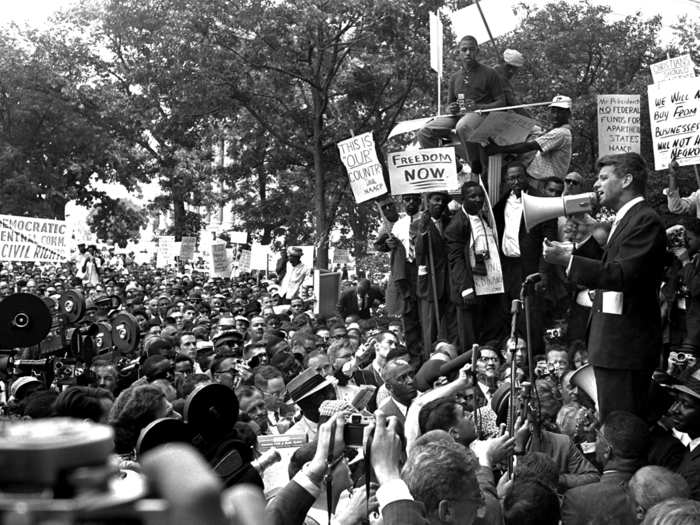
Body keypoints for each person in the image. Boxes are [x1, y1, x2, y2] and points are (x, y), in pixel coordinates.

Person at [544, 152, 667, 421]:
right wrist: (573, 249)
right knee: (611, 423)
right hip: (614, 346)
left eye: (603, 178)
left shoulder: (645, 219)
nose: (596, 185)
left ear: (626, 180)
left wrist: (568, 259)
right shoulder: (625, 219)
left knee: (620, 427)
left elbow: (621, 274)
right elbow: (607, 263)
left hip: (625, 348)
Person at [417, 35, 505, 173]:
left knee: (462, 126)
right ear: (458, 52)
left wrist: (479, 107)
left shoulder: (489, 73)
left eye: (471, 49)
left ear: (477, 51)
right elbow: (448, 105)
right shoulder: (454, 77)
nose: (468, 53)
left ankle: (473, 163)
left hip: (480, 114)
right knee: (424, 132)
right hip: (458, 115)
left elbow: (501, 101)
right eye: (464, 50)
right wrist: (450, 108)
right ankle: (449, 164)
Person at [493, 162, 555, 356]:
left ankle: (533, 357)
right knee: (508, 311)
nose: (516, 181)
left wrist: (542, 272)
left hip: (530, 266)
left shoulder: (541, 200)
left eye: (519, 177)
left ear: (526, 177)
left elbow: (549, 240)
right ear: (506, 181)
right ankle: (511, 356)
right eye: (511, 178)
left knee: (531, 315)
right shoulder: (502, 202)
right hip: (507, 265)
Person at [445, 181, 506, 352]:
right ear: (463, 199)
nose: (478, 199)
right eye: (473, 196)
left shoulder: (484, 216)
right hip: (471, 288)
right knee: (471, 336)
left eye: (480, 196)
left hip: (490, 285)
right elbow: (456, 260)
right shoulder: (456, 226)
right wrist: (466, 289)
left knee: (491, 329)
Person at [561, 411, 650, 525]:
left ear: (607, 450)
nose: (595, 441)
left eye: (598, 437)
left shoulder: (576, 500)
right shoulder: (658, 492)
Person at [374, 193, 423, 362]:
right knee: (409, 318)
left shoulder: (426, 221)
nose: (411, 202)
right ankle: (415, 358)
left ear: (420, 200)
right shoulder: (398, 225)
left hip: (423, 271)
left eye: (414, 199)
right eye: (408, 199)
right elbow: (383, 246)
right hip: (406, 274)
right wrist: (388, 245)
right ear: (403, 202)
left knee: (426, 316)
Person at [486, 95, 573, 182]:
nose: (556, 115)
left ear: (568, 113)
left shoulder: (562, 133)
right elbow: (530, 126)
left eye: (561, 112)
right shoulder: (550, 131)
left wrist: (499, 149)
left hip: (544, 183)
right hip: (533, 177)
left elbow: (529, 146)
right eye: (553, 111)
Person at [415, 191, 457, 358]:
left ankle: (450, 356)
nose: (439, 203)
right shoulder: (419, 223)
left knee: (450, 321)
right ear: (428, 202)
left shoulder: (450, 222)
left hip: (449, 279)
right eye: (436, 200)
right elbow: (419, 253)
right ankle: (430, 358)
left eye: (442, 201)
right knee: (430, 323)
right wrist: (423, 232)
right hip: (430, 281)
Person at [494, 49, 526, 113]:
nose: (513, 72)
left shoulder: (496, 72)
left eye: (515, 69)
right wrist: (531, 120)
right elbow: (512, 102)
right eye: (515, 69)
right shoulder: (498, 76)